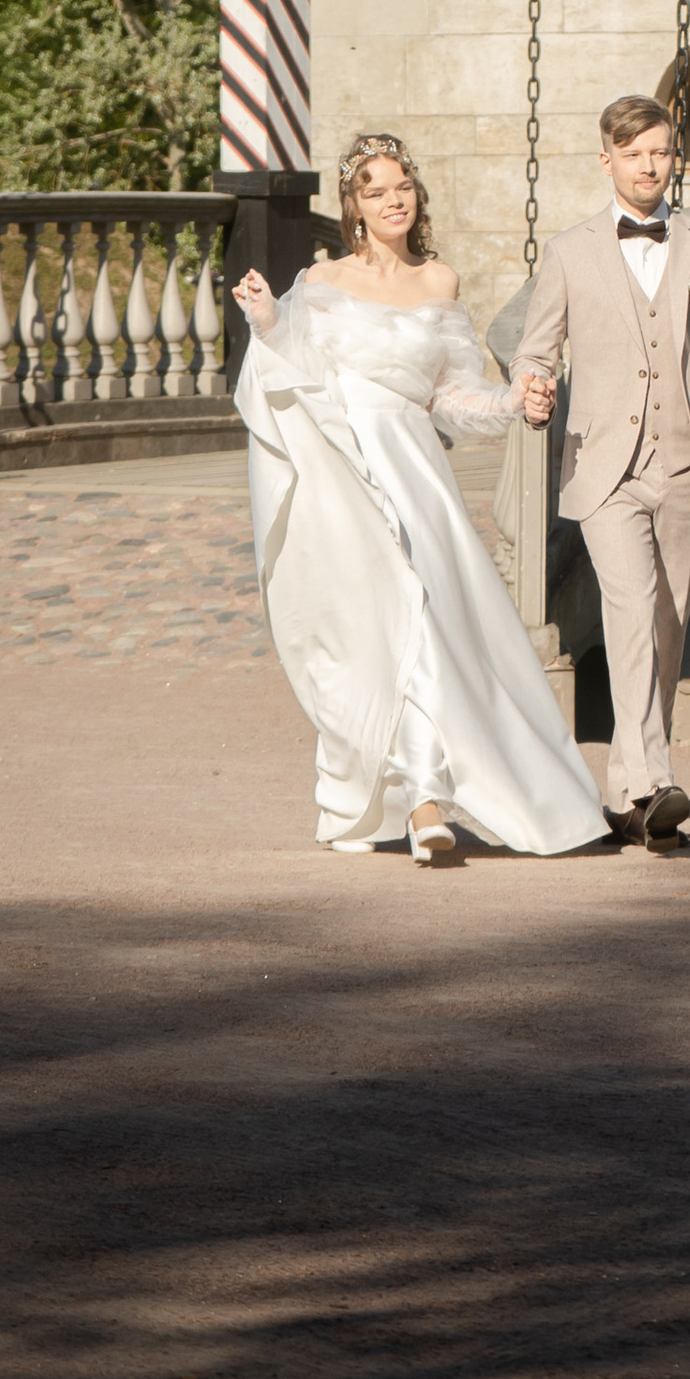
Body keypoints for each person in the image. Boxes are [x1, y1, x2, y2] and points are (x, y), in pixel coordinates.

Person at [232, 130, 609, 866]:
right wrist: (269, 322)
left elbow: (450, 397)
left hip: (413, 470)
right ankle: (424, 800)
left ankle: (431, 796)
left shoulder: (441, 282)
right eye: (373, 190)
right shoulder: (322, 281)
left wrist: (511, 403)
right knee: (385, 627)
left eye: (400, 185)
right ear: (354, 209)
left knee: (427, 625)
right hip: (342, 467)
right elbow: (301, 374)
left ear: (417, 195)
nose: (391, 199)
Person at [514, 93, 690, 848]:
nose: (648, 166)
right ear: (607, 161)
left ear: (674, 157)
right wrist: (530, 390)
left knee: (667, 627)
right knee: (630, 610)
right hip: (606, 469)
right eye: (633, 155)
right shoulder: (569, 253)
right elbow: (536, 351)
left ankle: (625, 796)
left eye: (660, 152)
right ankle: (655, 780)